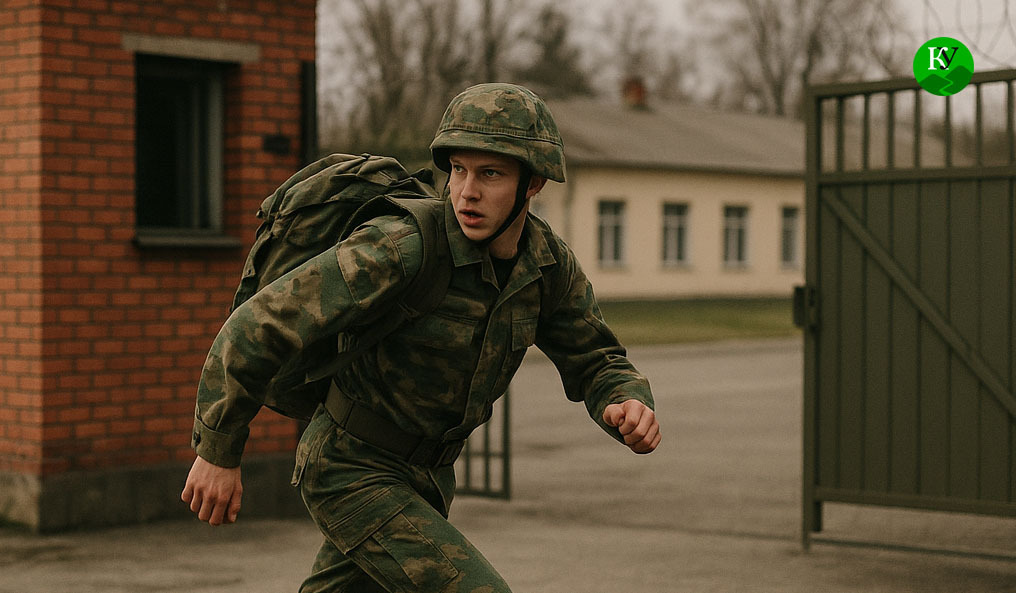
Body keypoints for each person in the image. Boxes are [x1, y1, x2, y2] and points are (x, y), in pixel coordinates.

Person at [181, 83, 660, 593]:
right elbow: (259, 324)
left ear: (533, 182)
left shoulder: (546, 266)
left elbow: (596, 356)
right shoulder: (401, 246)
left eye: (490, 174)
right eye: (458, 169)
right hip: (350, 467)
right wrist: (218, 450)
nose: (467, 191)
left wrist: (624, 399)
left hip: (428, 477)